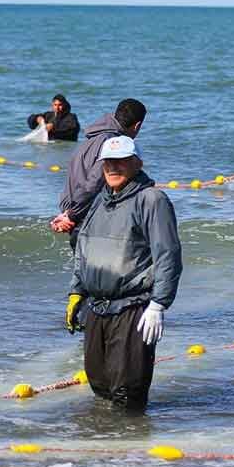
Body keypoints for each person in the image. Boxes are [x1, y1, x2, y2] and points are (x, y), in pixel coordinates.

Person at [64, 135, 182, 411]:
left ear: (137, 163)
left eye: (121, 162)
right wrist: (76, 292)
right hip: (97, 308)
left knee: (127, 392)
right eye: (108, 163)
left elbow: (168, 254)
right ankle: (105, 448)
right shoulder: (99, 202)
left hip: (133, 309)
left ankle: (132, 450)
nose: (113, 168)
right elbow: (84, 251)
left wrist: (158, 304)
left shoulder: (152, 200)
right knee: (100, 385)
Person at [50, 98, 147, 247]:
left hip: (74, 216)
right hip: (89, 221)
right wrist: (71, 215)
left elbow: (72, 181)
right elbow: (94, 183)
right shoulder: (114, 145)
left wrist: (66, 213)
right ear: (137, 125)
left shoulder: (88, 142)